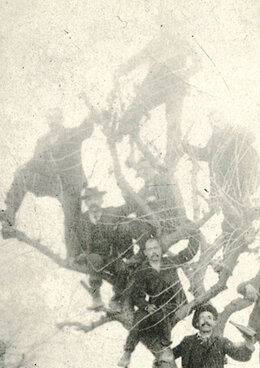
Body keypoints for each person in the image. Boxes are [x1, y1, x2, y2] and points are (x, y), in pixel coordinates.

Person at [2, 107, 94, 258]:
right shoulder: (42, 141)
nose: (53, 121)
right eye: (50, 118)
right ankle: (9, 216)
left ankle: (74, 255)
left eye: (56, 117)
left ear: (61, 118)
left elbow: (86, 130)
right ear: (47, 121)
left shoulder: (71, 134)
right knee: (23, 176)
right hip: (51, 183)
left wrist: (91, 115)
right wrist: (23, 168)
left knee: (71, 217)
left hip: (70, 184)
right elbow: (35, 162)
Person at [114, 29, 201, 167]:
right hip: (155, 82)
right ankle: (123, 129)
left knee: (173, 121)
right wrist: (122, 70)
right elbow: (139, 57)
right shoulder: (156, 42)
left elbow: (198, 63)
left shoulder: (183, 41)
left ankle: (171, 156)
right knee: (138, 104)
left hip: (175, 85)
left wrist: (184, 74)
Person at [183, 110, 260, 260]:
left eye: (217, 120)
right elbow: (206, 154)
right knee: (228, 222)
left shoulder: (236, 133)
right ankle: (229, 255)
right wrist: (187, 148)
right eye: (212, 122)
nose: (214, 124)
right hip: (221, 187)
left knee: (239, 216)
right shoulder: (215, 139)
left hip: (238, 183)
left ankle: (241, 244)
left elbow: (250, 140)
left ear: (225, 119)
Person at [118, 231, 200, 368]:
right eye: (150, 249)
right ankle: (127, 352)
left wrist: (194, 234)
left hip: (175, 302)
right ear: (145, 253)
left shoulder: (170, 262)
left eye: (156, 248)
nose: (153, 252)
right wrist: (145, 306)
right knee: (139, 317)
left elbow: (189, 253)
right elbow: (137, 294)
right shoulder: (142, 271)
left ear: (161, 250)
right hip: (155, 304)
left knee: (162, 314)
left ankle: (166, 348)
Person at [74, 186, 139, 312]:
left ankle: (116, 299)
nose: (92, 202)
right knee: (95, 260)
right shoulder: (81, 220)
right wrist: (77, 255)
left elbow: (130, 207)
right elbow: (74, 239)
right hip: (92, 255)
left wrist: (125, 192)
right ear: (86, 203)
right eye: (88, 200)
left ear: (101, 200)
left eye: (96, 199)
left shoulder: (111, 212)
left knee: (122, 269)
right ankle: (96, 298)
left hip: (111, 256)